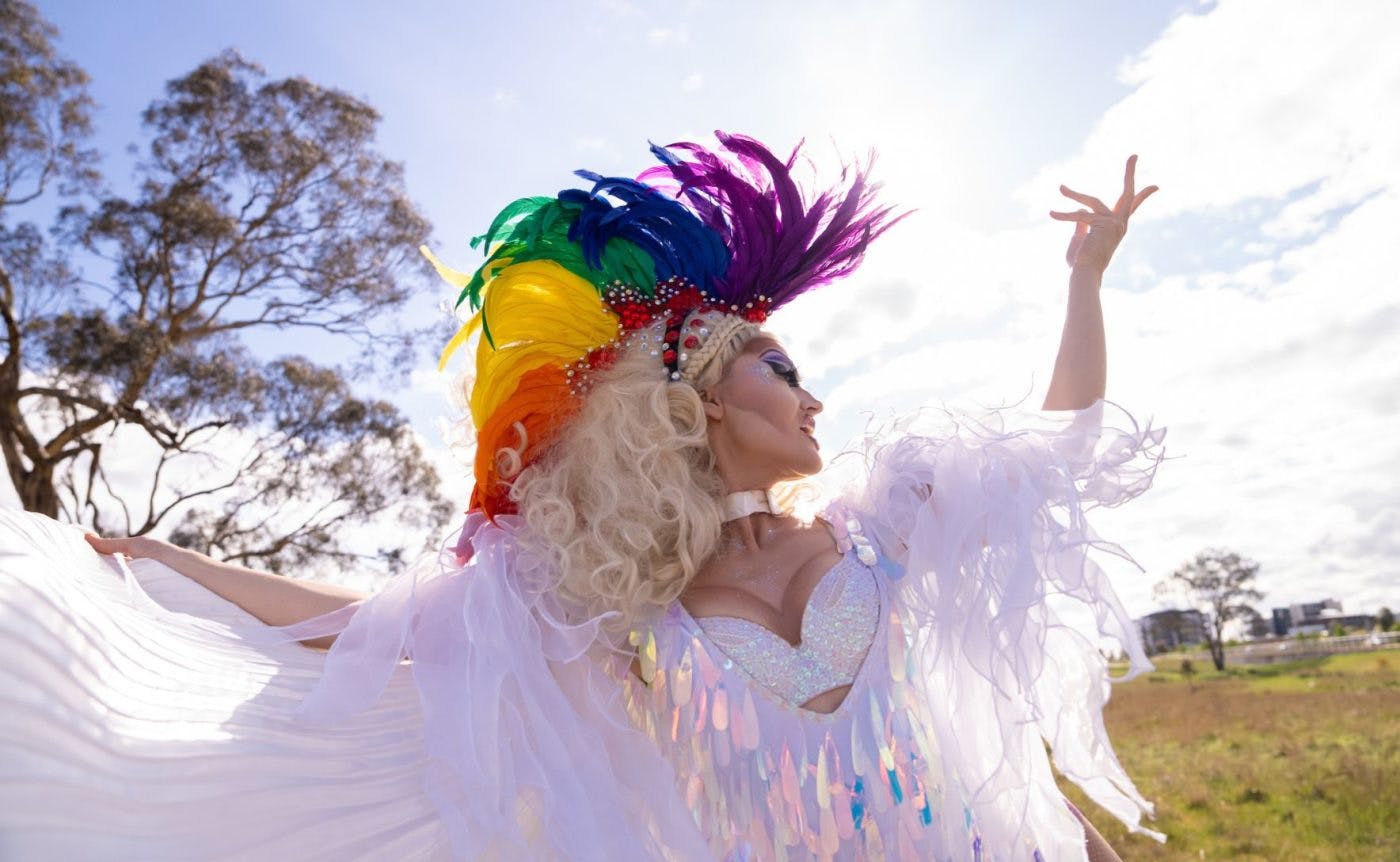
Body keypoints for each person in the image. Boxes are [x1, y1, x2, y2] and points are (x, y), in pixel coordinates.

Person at [0, 132, 1164, 860]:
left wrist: (1083, 279)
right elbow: (366, 624)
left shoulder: (884, 527)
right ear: (695, 402)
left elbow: (1051, 450)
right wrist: (172, 569)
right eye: (781, 368)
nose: (814, 397)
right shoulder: (618, 615)